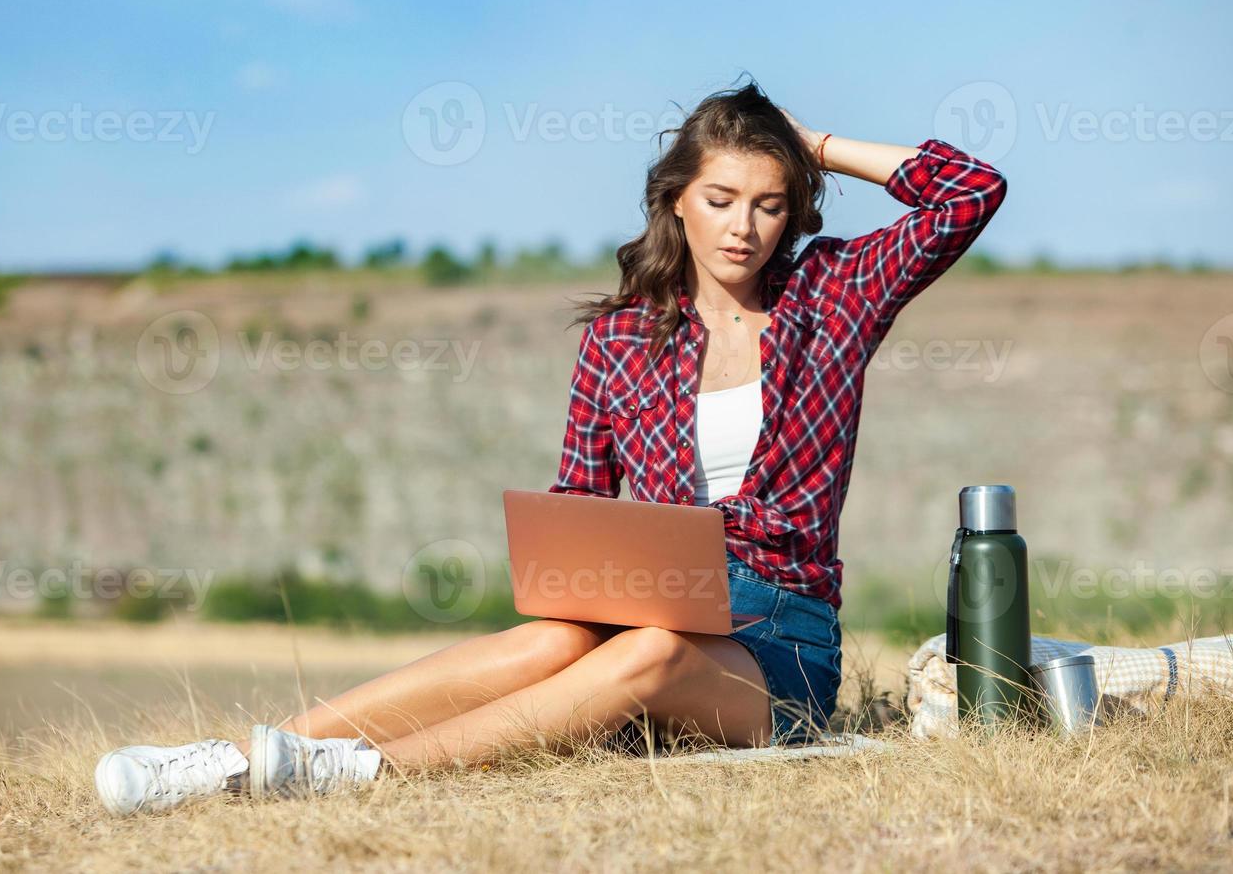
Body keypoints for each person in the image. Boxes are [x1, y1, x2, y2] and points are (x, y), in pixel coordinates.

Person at [94, 77, 1009, 816]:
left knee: (648, 650)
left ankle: (365, 777)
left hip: (776, 646)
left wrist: (804, 142)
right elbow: (576, 508)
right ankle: (253, 757)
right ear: (677, 203)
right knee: (553, 637)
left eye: (771, 204)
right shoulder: (619, 341)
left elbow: (973, 190)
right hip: (640, 614)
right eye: (721, 198)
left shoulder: (832, 296)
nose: (745, 227)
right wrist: (580, 572)